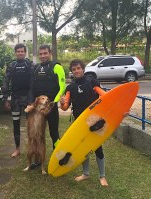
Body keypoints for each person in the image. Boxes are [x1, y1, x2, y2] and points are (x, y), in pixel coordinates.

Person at [60, 59, 109, 187]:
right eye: (74, 69)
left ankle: (102, 176)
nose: (76, 71)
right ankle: (86, 174)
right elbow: (65, 107)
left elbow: (104, 96)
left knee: (98, 147)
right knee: (83, 149)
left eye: (78, 68)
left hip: (94, 122)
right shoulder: (70, 88)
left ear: (83, 69)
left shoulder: (92, 82)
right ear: (72, 71)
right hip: (79, 123)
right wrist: (62, 103)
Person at [2, 43, 33, 158]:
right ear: (15, 53)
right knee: (16, 124)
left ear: (25, 52)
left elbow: (33, 83)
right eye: (18, 51)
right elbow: (6, 82)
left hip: (27, 99)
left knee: (30, 125)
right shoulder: (12, 65)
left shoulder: (29, 64)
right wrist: (5, 99)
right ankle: (17, 149)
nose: (20, 53)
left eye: (22, 51)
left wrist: (31, 100)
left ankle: (31, 148)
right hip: (15, 99)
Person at [32, 44, 66, 149]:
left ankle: (58, 157)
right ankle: (39, 158)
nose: (43, 56)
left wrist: (54, 103)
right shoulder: (36, 68)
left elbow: (63, 87)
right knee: (38, 134)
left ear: (50, 53)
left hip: (52, 107)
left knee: (54, 133)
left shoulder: (57, 67)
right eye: (41, 54)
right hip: (39, 108)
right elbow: (33, 87)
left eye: (45, 53)